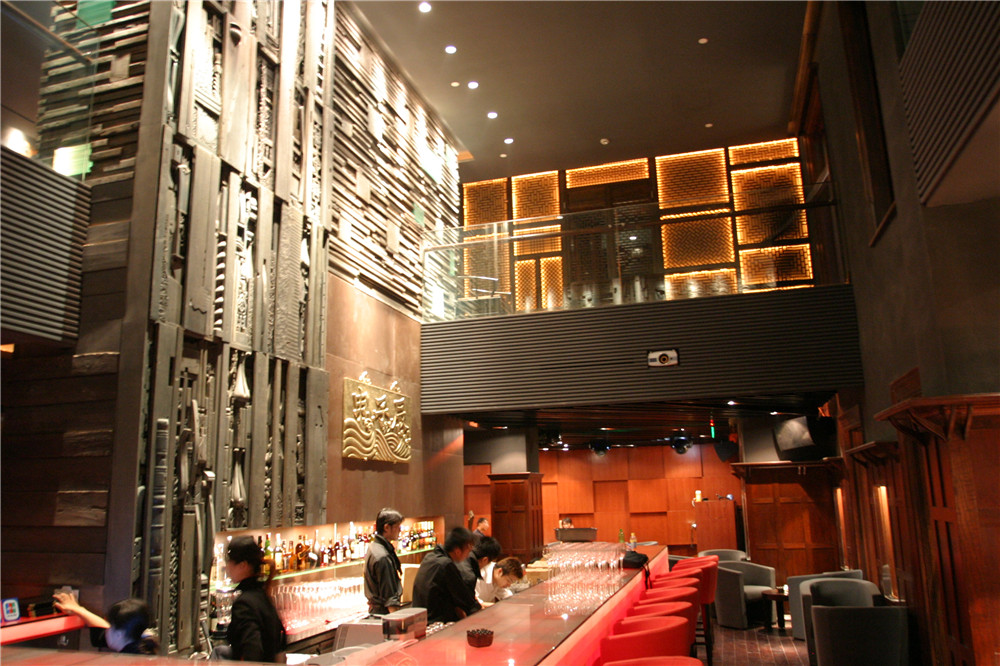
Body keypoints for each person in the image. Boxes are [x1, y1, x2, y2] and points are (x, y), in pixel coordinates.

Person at [224, 535, 287, 662]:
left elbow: (252, 651)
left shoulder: (244, 603)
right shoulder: (262, 595)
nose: (227, 567)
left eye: (230, 562)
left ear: (243, 565)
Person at [411, 527, 480, 624]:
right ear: (457, 551)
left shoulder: (429, 557)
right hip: (436, 623)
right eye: (468, 551)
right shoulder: (446, 564)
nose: (468, 555)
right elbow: (465, 599)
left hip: (419, 619)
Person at [53, 593, 157, 654]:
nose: (107, 629)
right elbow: (101, 630)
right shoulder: (137, 641)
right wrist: (78, 609)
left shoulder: (129, 660)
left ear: (119, 634)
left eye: (110, 626)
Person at [364, 508, 404, 614]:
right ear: (386, 527)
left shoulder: (374, 547)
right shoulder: (383, 557)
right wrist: (397, 621)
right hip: (384, 615)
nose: (400, 530)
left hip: (376, 612)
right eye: (397, 527)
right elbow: (390, 599)